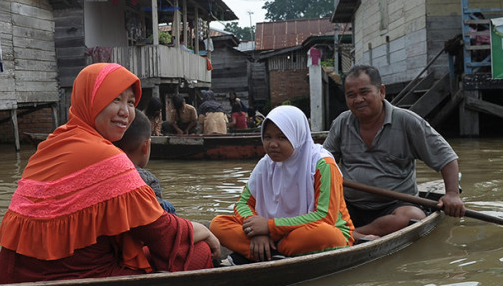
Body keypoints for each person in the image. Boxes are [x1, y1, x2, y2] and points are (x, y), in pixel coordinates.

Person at [0, 63, 219, 283]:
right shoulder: (107, 156)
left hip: (7, 275)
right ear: (89, 101)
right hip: (70, 278)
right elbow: (161, 233)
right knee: (199, 252)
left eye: (131, 102)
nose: (125, 112)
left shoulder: (52, 143)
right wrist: (202, 232)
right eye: (114, 99)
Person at [323, 64, 465, 237]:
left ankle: (347, 235)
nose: (358, 99)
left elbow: (446, 158)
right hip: (349, 205)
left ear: (381, 91)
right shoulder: (341, 123)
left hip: (395, 206)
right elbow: (323, 164)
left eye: (364, 92)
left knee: (413, 217)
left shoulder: (407, 121)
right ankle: (348, 235)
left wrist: (452, 194)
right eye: (351, 95)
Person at [210, 105, 353, 263]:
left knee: (326, 234)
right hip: (272, 234)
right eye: (268, 137)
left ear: (296, 136)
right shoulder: (265, 164)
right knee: (218, 224)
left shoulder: (322, 164)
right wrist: (256, 230)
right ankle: (272, 252)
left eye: (282, 137)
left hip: (311, 233)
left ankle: (263, 253)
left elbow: (325, 217)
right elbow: (243, 204)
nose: (272, 144)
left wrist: (270, 226)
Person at [114, 109, 177, 214]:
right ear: (146, 146)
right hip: (145, 221)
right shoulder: (148, 180)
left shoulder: (104, 173)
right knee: (168, 207)